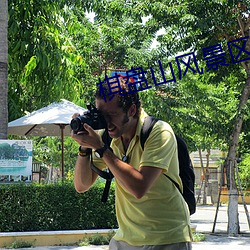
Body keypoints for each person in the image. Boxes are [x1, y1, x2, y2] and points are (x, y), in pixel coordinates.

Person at [71, 77, 192, 250]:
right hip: (125, 239)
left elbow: (139, 187)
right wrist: (84, 148)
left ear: (132, 110)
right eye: (100, 115)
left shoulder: (159, 132)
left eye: (111, 115)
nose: (105, 122)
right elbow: (81, 185)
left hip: (166, 238)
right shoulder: (109, 137)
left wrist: (101, 148)